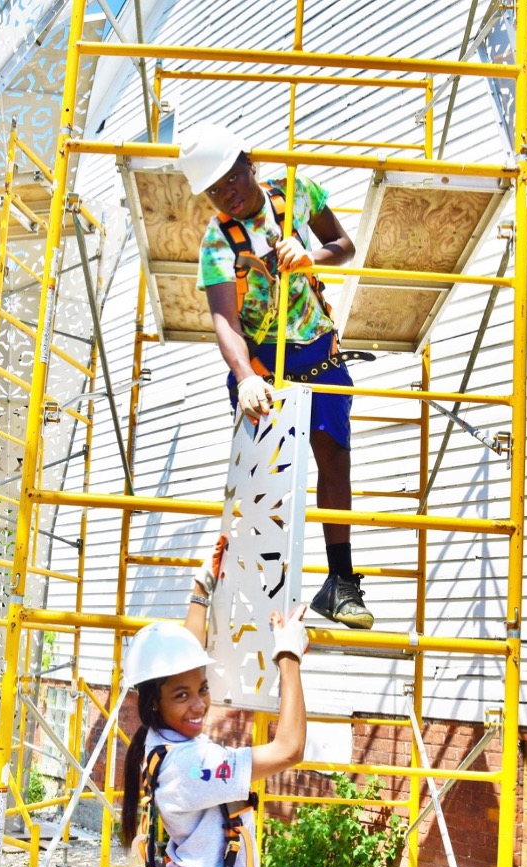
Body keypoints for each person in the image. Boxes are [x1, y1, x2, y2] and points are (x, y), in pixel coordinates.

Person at [177, 122, 373, 630]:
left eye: (231, 180)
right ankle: (262, 587)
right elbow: (224, 319)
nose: (228, 196)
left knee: (333, 456)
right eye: (215, 191)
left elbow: (344, 245)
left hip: (317, 349)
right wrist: (243, 376)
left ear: (250, 164)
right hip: (261, 363)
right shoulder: (217, 243)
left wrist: (312, 255)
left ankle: (341, 583)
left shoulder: (297, 195)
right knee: (264, 476)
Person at [120, 564, 308, 867]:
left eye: (202, 689)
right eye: (183, 696)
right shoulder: (193, 764)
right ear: (156, 701)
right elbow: (289, 749)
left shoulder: (161, 739)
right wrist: (289, 656)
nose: (199, 705)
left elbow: (181, 670)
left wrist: (200, 591)